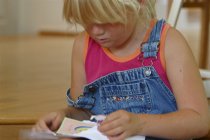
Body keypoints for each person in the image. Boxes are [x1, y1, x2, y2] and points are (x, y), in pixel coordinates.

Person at [33, 0, 209, 139]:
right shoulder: (83, 45)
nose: (96, 31)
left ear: (139, 2)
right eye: (87, 21)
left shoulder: (169, 42)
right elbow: (85, 111)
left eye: (107, 20)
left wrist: (139, 124)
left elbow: (199, 120)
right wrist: (64, 116)